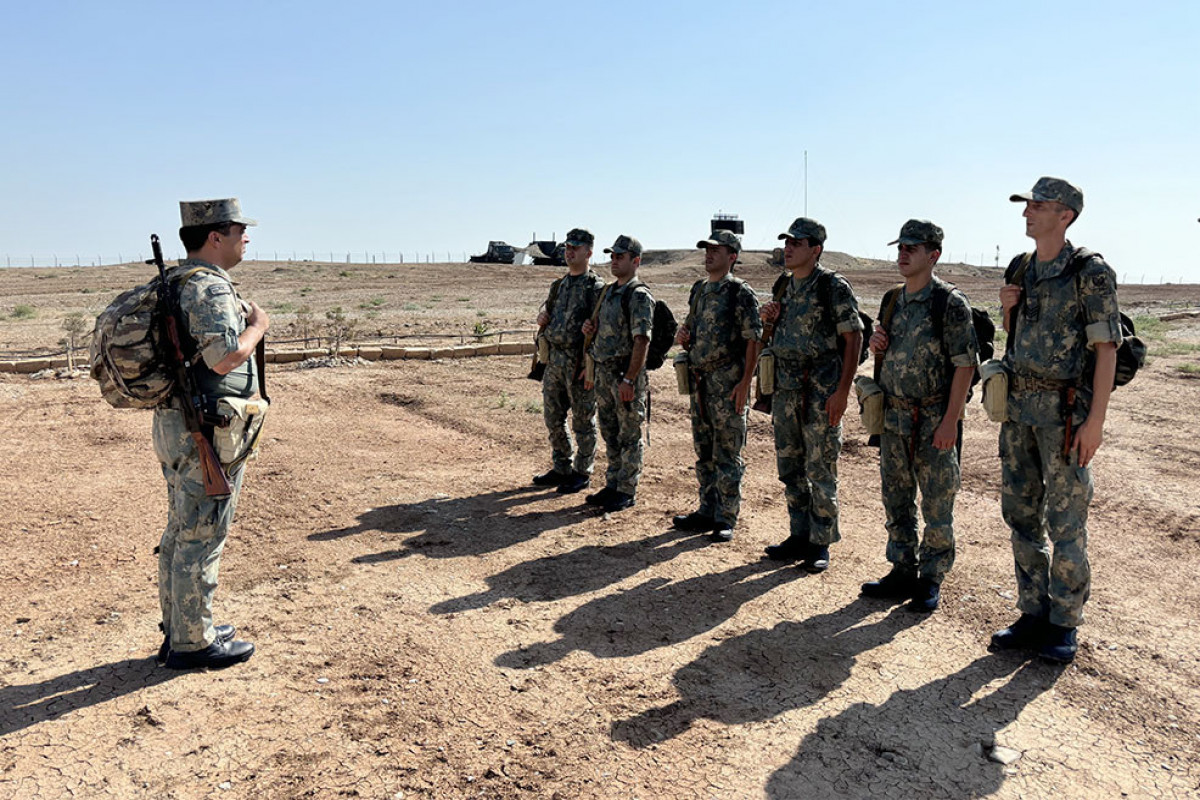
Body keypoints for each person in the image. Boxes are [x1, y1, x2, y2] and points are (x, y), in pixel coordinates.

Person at [990, 177, 1121, 664]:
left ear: (1065, 215)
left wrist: (1096, 423)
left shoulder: (1089, 271)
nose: (1028, 212)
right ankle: (1032, 612)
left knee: (1066, 521)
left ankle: (1064, 622)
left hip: (1066, 416)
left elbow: (1106, 349)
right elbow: (1016, 337)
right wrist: (1008, 312)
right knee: (1020, 516)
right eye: (1027, 204)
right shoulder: (1021, 267)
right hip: (1019, 412)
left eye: (1038, 205)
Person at [156, 198, 266, 669]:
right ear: (215, 237)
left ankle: (182, 628)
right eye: (241, 230)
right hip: (204, 428)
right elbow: (224, 358)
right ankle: (193, 643)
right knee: (202, 533)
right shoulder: (207, 287)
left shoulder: (175, 281)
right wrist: (259, 326)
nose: (247, 238)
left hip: (177, 422)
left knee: (183, 530)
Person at [861, 220, 979, 612]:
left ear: (934, 255)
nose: (904, 253)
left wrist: (951, 421)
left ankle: (930, 578)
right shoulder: (893, 300)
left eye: (913, 247)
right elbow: (887, 351)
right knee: (896, 497)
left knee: (937, 502)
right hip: (894, 415)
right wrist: (878, 344)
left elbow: (965, 365)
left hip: (934, 418)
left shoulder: (949, 303)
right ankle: (902, 569)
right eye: (901, 247)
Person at [761, 218, 863, 572]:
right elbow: (774, 334)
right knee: (790, 466)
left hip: (821, 391)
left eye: (797, 243)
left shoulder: (832, 286)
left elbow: (853, 338)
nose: (788, 248)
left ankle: (820, 542)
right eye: (787, 241)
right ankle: (798, 534)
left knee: (820, 468)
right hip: (787, 390)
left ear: (815, 250)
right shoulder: (783, 286)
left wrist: (842, 392)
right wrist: (768, 321)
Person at [672, 229, 762, 542]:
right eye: (707, 249)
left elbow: (754, 339)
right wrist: (685, 337)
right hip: (700, 383)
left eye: (716, 250)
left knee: (727, 452)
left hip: (728, 385)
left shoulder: (740, 292)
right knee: (704, 450)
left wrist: (744, 383)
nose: (709, 254)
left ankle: (726, 517)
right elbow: (692, 326)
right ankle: (706, 509)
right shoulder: (699, 290)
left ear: (732, 256)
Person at [581, 235, 654, 513]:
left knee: (628, 434)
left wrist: (630, 379)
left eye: (620, 257)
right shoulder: (608, 292)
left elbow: (641, 340)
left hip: (625, 374)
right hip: (604, 373)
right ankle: (612, 483)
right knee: (610, 431)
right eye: (612, 256)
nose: (614, 260)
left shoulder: (638, 295)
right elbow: (604, 328)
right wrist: (591, 329)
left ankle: (626, 489)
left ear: (635, 261)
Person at [532, 228, 605, 494]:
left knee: (583, 420)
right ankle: (561, 465)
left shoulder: (596, 288)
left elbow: (603, 329)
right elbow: (548, 312)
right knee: (553, 417)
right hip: (555, 361)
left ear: (588, 252)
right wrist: (543, 318)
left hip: (579, 363)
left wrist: (590, 366)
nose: (569, 251)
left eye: (575, 247)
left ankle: (582, 471)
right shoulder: (558, 286)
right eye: (567, 247)